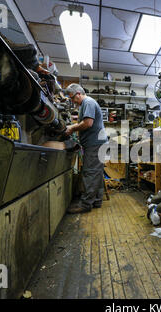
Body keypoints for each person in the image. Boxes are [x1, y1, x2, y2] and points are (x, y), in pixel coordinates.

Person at [63, 83, 107, 214]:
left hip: (95, 144)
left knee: (90, 172)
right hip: (97, 143)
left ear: (78, 94)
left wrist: (71, 128)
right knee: (96, 173)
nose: (72, 101)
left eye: (72, 98)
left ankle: (86, 204)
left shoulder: (88, 102)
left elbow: (88, 123)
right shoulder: (86, 104)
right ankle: (96, 201)